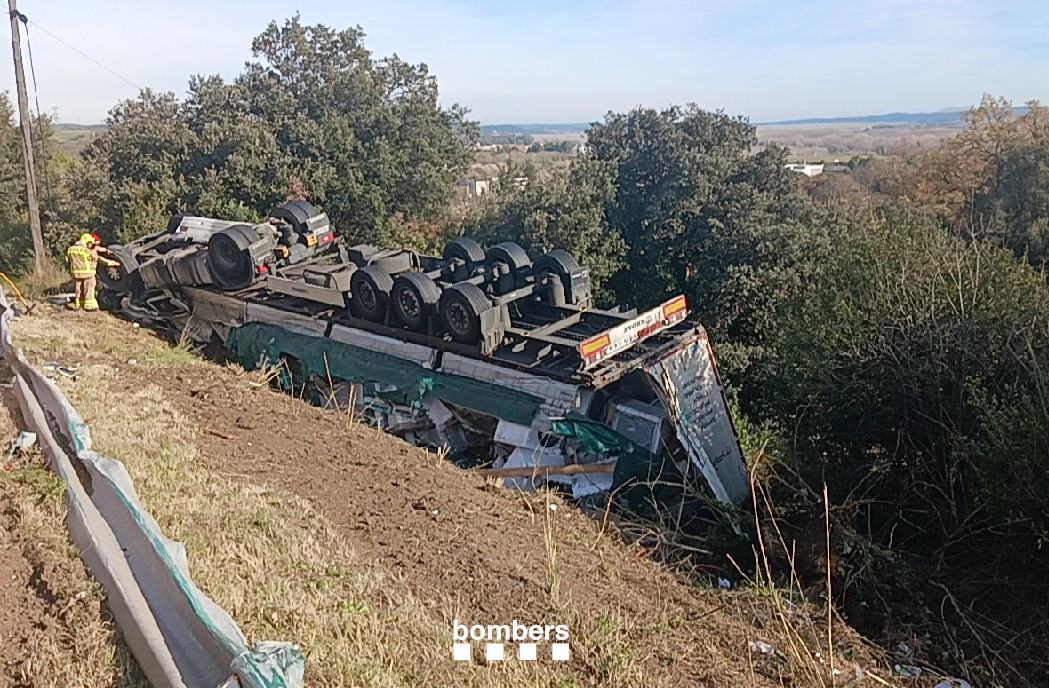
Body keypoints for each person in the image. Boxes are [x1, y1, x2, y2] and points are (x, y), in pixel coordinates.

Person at [65, 233, 115, 311]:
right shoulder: (86, 250)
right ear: (86, 242)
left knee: (79, 290)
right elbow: (98, 258)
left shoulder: (71, 249)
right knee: (89, 289)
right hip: (88, 274)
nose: (91, 245)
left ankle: (78, 304)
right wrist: (110, 262)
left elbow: (67, 260)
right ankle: (90, 306)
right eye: (90, 243)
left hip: (76, 274)